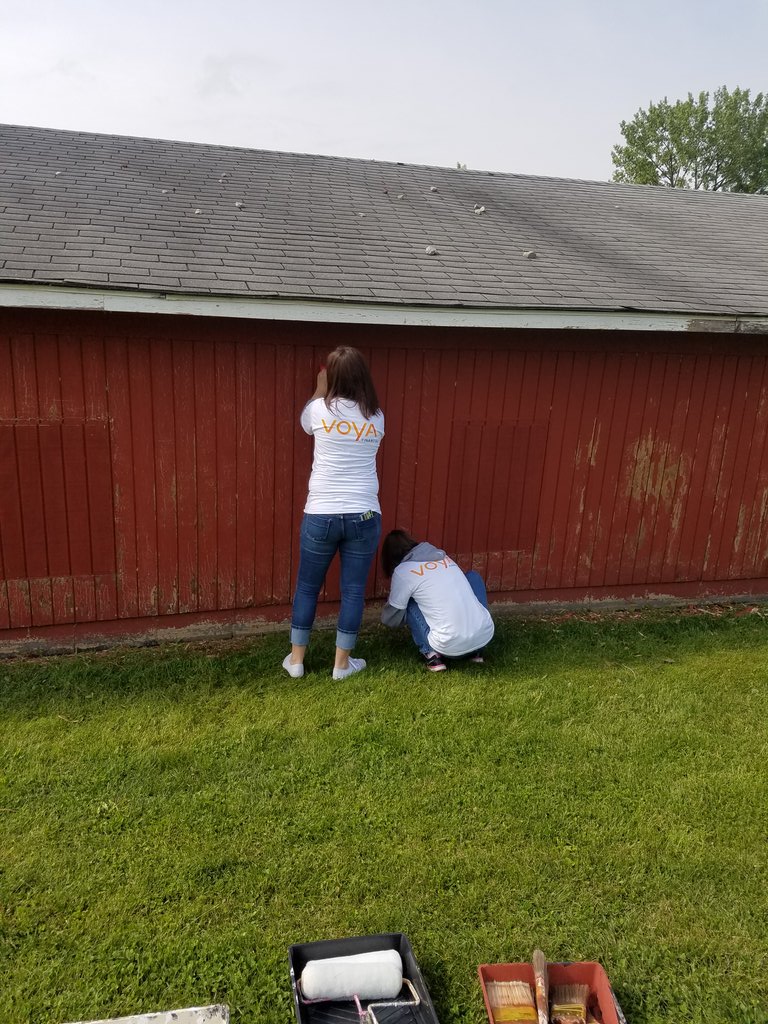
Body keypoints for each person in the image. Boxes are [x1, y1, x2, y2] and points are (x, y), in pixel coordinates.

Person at [283, 346, 384, 680]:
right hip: (364, 513)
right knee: (353, 590)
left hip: (322, 512)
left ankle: (296, 661)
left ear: (332, 376)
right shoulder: (376, 416)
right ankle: (341, 666)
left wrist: (319, 389)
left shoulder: (318, 410)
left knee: (308, 587)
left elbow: (305, 426)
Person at [380, 529, 494, 671]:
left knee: (407, 601)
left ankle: (432, 655)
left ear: (390, 558)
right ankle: (476, 649)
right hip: (483, 638)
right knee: (472, 577)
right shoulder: (443, 557)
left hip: (448, 646)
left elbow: (391, 618)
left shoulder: (403, 570)